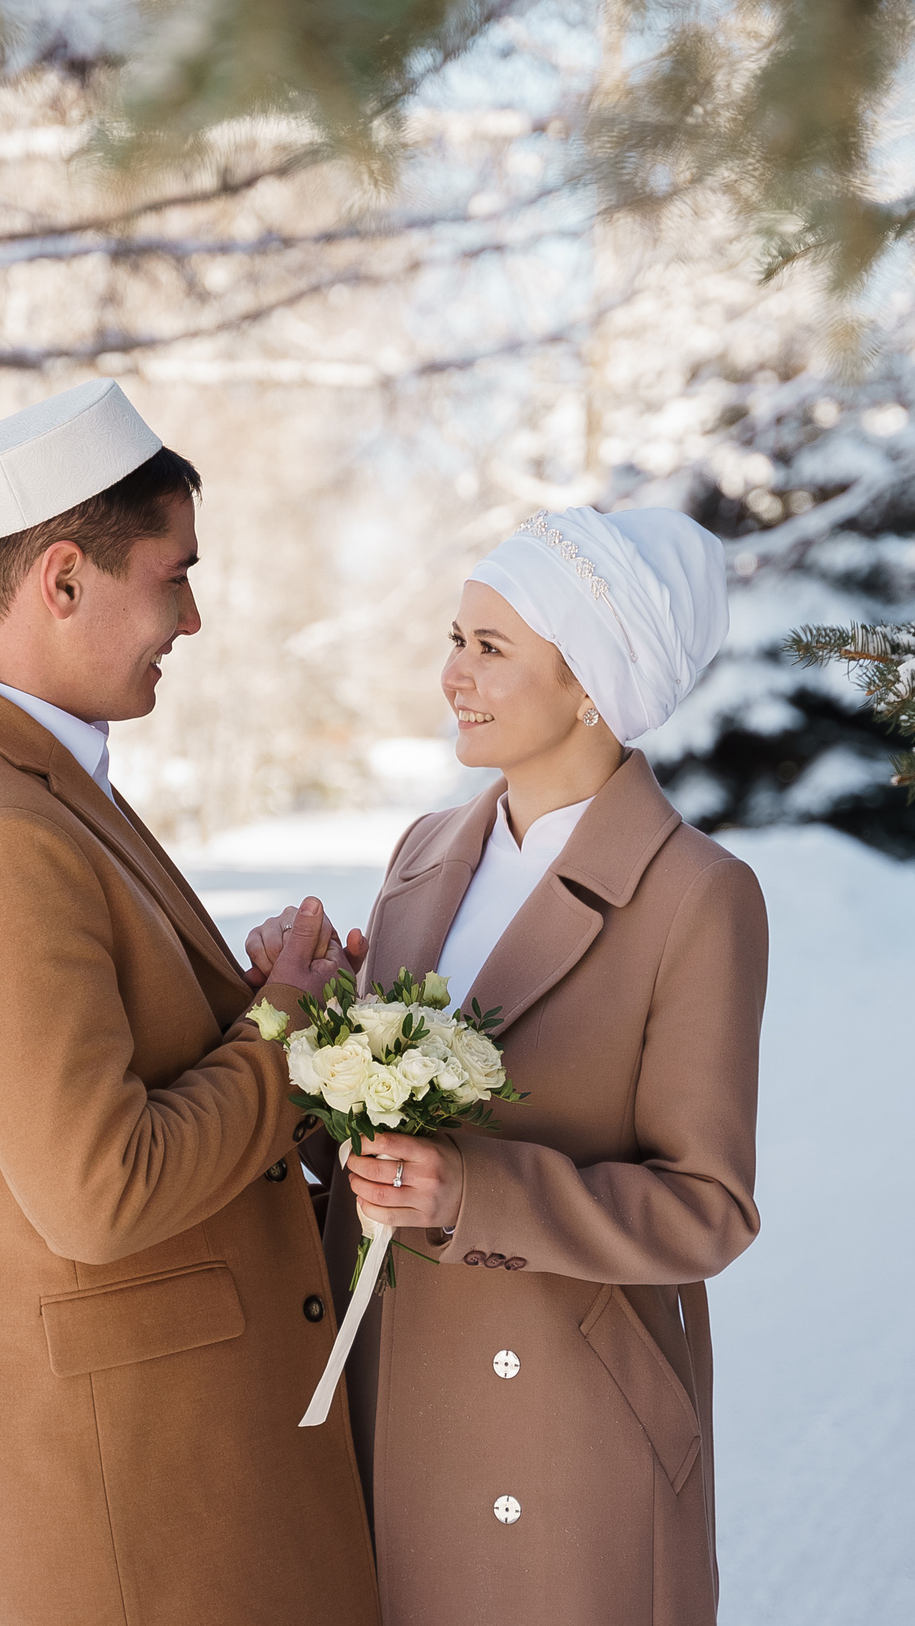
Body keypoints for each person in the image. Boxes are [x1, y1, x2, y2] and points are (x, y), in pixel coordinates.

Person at [0, 379, 380, 1626]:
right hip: (121, 1517)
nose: (192, 616)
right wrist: (281, 1032)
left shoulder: (18, 771)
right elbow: (103, 1186)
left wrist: (250, 1003)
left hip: (143, 1481)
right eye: (173, 575)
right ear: (64, 578)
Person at [248, 505, 767, 1626]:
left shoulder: (696, 896)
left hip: (566, 1429)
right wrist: (303, 1024)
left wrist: (472, 1192)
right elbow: (365, 1143)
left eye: (491, 647)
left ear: (590, 684)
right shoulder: (424, 852)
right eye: (455, 639)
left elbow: (707, 1209)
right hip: (396, 1396)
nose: (453, 674)